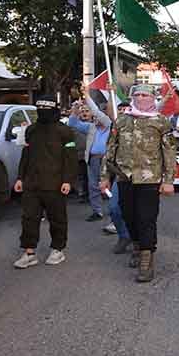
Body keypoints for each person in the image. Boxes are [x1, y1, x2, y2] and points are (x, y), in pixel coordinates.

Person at [100, 85, 176, 282]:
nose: (141, 98)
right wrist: (105, 177)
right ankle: (136, 243)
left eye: (146, 95)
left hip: (150, 178)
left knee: (146, 218)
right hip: (125, 177)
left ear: (153, 98)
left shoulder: (161, 121)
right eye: (138, 95)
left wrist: (168, 181)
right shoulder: (122, 120)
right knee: (128, 216)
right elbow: (110, 150)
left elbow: (169, 152)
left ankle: (146, 258)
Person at [12, 96, 77, 269]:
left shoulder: (65, 131)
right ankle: (29, 252)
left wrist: (68, 181)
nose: (43, 113)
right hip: (32, 184)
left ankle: (57, 249)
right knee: (29, 219)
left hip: (56, 184)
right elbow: (25, 156)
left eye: (47, 109)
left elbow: (70, 158)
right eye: (40, 109)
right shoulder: (32, 130)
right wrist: (20, 178)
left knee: (57, 218)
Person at [68, 89, 125, 249]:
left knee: (109, 188)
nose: (96, 118)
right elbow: (72, 123)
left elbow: (98, 114)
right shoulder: (91, 128)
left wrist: (87, 96)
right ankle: (97, 211)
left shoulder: (108, 125)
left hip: (107, 162)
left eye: (98, 115)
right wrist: (75, 109)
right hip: (92, 160)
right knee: (93, 186)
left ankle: (115, 213)